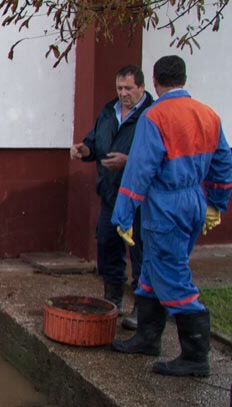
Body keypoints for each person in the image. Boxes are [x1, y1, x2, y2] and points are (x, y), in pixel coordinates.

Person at [110, 55, 232, 377]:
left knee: (172, 274)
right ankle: (147, 338)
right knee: (151, 269)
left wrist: (123, 214)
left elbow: (139, 171)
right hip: (194, 200)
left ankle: (195, 356)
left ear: (154, 82)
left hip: (165, 205)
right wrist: (216, 203)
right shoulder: (209, 115)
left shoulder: (155, 117)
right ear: (183, 78)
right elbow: (223, 162)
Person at [71, 65, 154, 329]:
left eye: (128, 88)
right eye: (119, 88)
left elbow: (158, 158)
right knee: (107, 246)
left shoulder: (152, 116)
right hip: (110, 195)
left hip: (140, 199)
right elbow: (94, 143)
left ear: (141, 87)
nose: (123, 94)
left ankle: (142, 308)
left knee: (139, 251)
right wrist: (84, 150)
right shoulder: (109, 111)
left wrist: (128, 162)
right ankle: (113, 300)